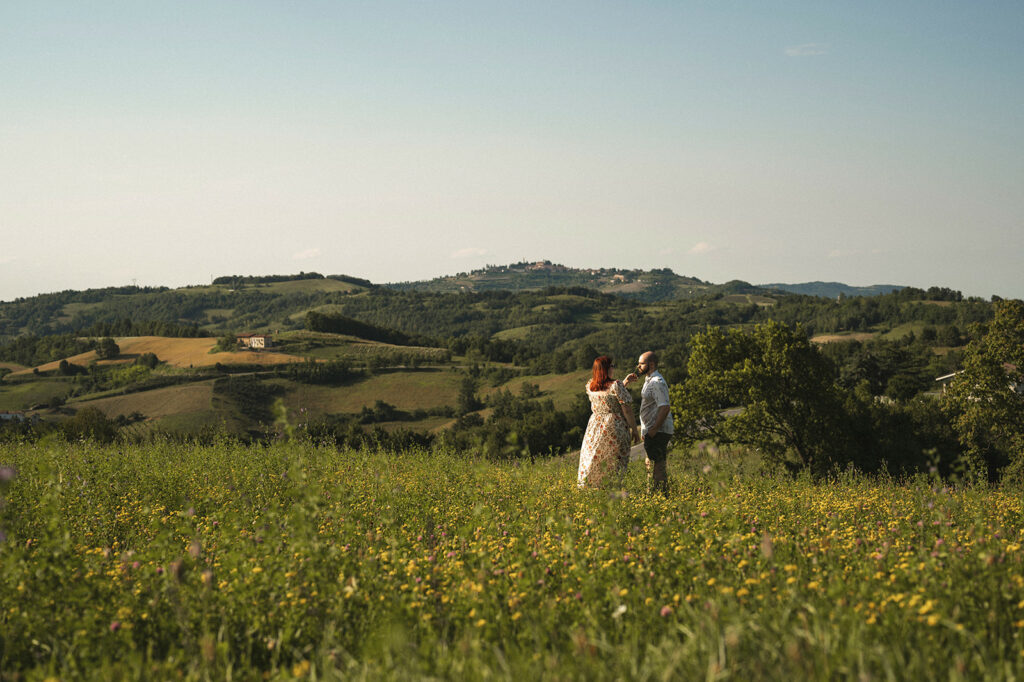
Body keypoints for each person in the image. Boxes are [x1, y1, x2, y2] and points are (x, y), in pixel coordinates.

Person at [578, 356, 640, 489]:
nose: (613, 368)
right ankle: (612, 488)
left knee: (595, 458)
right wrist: (635, 430)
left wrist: (626, 382)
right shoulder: (616, 385)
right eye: (612, 366)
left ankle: (591, 487)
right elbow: (627, 410)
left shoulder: (590, 386)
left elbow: (609, 394)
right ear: (605, 369)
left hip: (595, 427)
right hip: (613, 426)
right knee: (614, 460)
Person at [624, 350, 673, 495]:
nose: (638, 366)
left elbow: (664, 407)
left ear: (651, 364)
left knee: (656, 465)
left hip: (658, 430)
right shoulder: (649, 380)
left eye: (641, 364)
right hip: (651, 429)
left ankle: (659, 495)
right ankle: (656, 494)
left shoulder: (657, 382)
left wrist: (654, 429)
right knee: (651, 464)